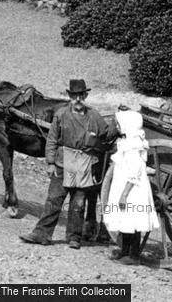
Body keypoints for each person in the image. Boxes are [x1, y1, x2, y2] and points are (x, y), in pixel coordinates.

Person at [20, 79, 116, 249]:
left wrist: (118, 125)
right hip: (63, 162)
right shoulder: (61, 115)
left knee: (78, 203)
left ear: (85, 95)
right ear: (70, 96)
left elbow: (105, 135)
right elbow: (52, 140)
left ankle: (74, 237)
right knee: (54, 199)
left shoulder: (94, 116)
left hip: (84, 164)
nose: (78, 99)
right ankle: (41, 234)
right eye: (74, 95)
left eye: (81, 95)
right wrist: (50, 162)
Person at [103, 109, 159, 264]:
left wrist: (124, 194)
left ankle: (133, 255)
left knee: (133, 222)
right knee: (125, 220)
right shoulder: (128, 142)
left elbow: (134, 172)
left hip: (133, 189)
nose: (117, 127)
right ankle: (124, 251)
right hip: (126, 186)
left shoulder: (134, 146)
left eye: (119, 124)